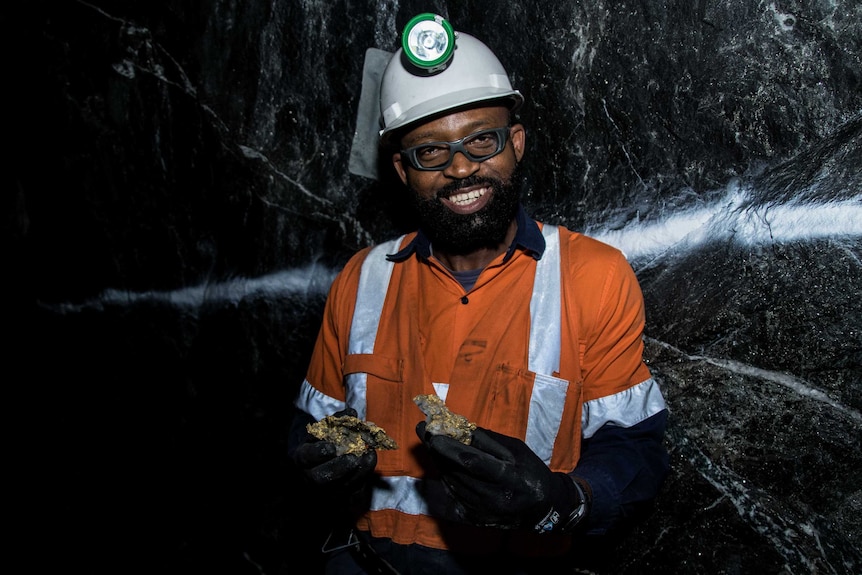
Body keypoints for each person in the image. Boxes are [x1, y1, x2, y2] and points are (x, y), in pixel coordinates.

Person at [288, 14, 669, 575]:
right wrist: (312, 459)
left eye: (482, 140)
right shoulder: (361, 279)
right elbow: (311, 421)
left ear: (515, 142)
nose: (461, 168)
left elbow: (632, 443)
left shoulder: (592, 276)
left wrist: (562, 501)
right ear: (402, 169)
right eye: (431, 153)